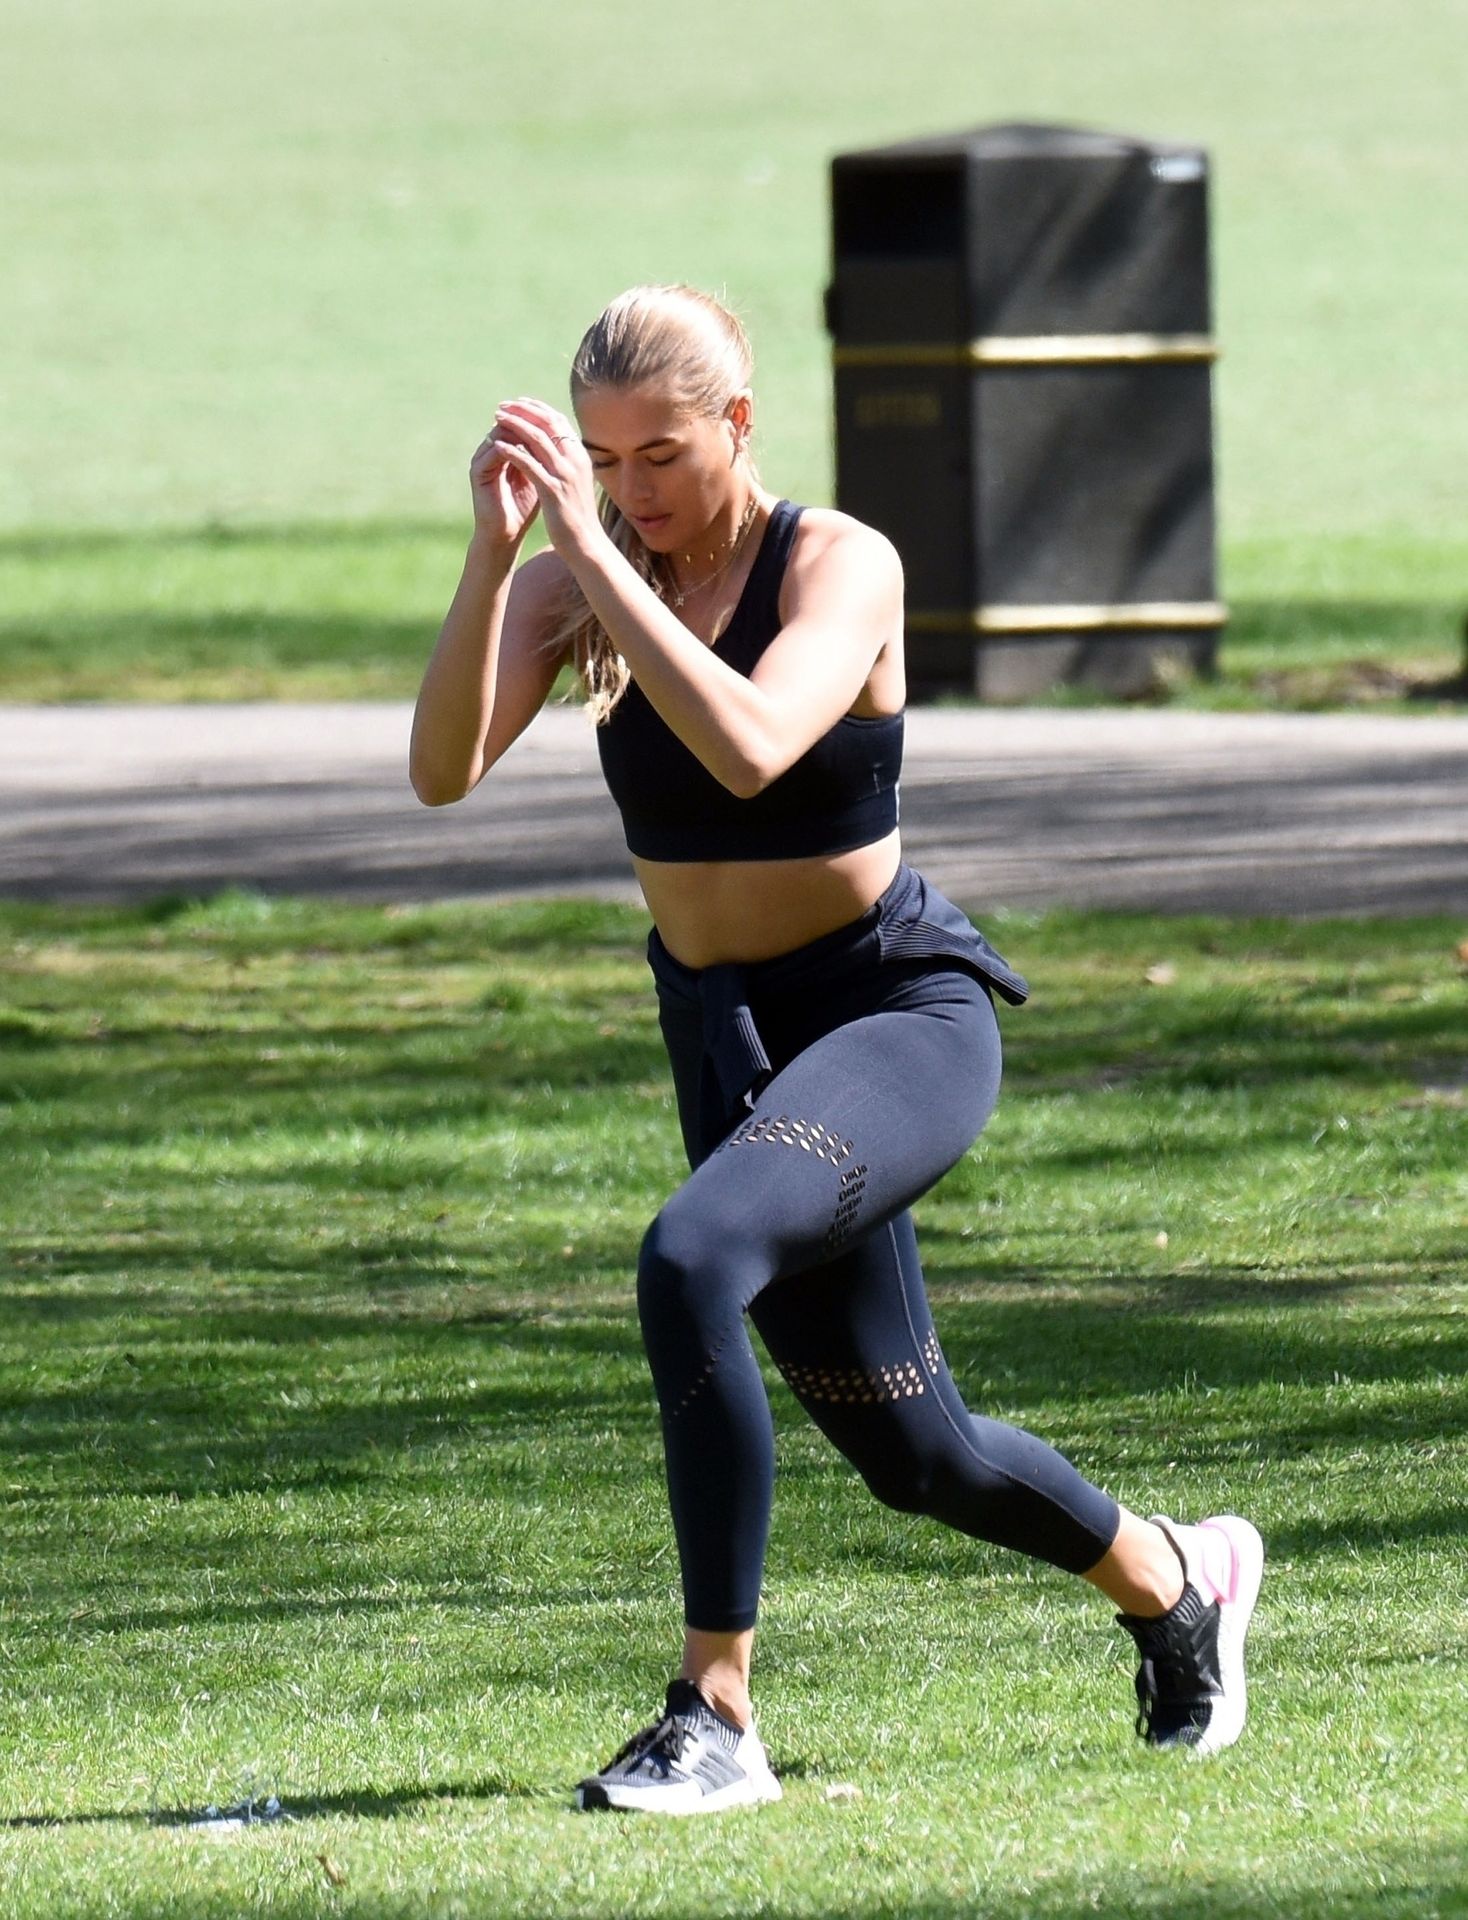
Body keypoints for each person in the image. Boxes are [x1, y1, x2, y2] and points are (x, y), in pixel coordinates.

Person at [409, 284, 1263, 1816]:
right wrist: (496, 559)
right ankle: (1175, 1578)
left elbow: (750, 749)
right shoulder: (580, 577)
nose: (628, 491)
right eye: (600, 461)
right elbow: (439, 770)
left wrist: (590, 559)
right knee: (915, 1453)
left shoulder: (840, 563)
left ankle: (715, 1715)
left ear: (736, 423)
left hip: (888, 1018)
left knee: (689, 1261)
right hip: (727, 1034)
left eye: (661, 454)